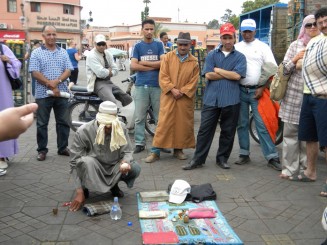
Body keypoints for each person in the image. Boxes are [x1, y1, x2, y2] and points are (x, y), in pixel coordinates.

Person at [182, 23, 247, 170]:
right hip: (212, 99)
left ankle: (222, 159)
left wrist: (218, 70)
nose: (228, 41)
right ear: (221, 38)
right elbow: (208, 75)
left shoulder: (240, 57)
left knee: (228, 131)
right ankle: (198, 159)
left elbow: (237, 76)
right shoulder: (212, 55)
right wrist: (227, 73)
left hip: (231, 99)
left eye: (230, 37)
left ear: (235, 38)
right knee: (205, 130)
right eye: (225, 37)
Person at [69, 101, 141, 212]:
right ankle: (84, 187)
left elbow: (127, 152)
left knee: (135, 167)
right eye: (105, 124)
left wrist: (125, 162)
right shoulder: (83, 131)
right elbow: (74, 163)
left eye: (110, 124)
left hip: (114, 166)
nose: (108, 127)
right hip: (94, 166)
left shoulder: (121, 127)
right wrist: (79, 192)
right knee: (84, 161)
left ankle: (114, 185)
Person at [145, 32, 200, 163]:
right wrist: (172, 89)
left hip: (184, 98)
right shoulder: (168, 57)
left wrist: (183, 91)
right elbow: (163, 76)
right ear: (177, 44)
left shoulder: (194, 61)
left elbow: (194, 81)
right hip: (169, 96)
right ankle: (155, 152)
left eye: (185, 45)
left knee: (182, 124)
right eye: (180, 44)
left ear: (190, 45)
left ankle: (178, 150)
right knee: (163, 124)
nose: (182, 47)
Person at [234, 19, 281, 171]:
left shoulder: (263, 47)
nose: (247, 34)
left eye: (249, 31)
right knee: (241, 123)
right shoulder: (236, 47)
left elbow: (271, 68)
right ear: (241, 32)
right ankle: (244, 153)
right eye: (244, 31)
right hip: (240, 90)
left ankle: (271, 156)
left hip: (257, 91)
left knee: (262, 124)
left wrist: (262, 86)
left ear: (255, 31)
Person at [278, 15, 320, 179]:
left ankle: (306, 169)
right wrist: (295, 59)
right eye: (308, 25)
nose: (312, 27)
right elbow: (283, 69)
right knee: (290, 136)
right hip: (294, 97)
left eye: (315, 24)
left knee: (308, 137)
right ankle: (289, 169)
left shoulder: (322, 44)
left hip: (313, 97)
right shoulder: (295, 45)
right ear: (304, 27)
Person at [294, 8, 327, 197]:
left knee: (326, 141)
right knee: (310, 136)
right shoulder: (315, 41)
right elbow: (299, 63)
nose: (321, 25)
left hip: (324, 96)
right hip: (308, 94)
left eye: (323, 21)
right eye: (318, 22)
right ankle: (311, 171)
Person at [29, 25, 73, 161]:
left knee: (63, 122)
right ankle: (42, 150)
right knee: (42, 123)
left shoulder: (63, 52)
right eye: (48, 34)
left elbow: (68, 70)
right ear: (43, 36)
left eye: (54, 34)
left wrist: (57, 81)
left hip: (61, 93)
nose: (52, 37)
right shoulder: (36, 52)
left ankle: (63, 147)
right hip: (43, 94)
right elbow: (35, 72)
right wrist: (50, 84)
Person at [130, 19, 165, 153]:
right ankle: (139, 143)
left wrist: (143, 64)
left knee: (159, 117)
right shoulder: (137, 46)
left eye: (151, 29)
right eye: (147, 29)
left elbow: (163, 64)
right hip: (140, 86)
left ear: (154, 30)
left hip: (157, 85)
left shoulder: (159, 44)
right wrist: (153, 66)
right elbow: (133, 65)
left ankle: (159, 143)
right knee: (140, 117)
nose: (149, 32)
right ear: (142, 30)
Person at [86, 34, 132, 107]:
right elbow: (100, 73)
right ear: (95, 44)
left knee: (127, 98)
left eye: (103, 44)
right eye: (99, 44)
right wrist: (110, 71)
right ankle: (106, 118)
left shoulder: (108, 54)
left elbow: (116, 69)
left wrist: (108, 72)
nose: (101, 46)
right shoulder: (92, 55)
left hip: (108, 81)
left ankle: (114, 114)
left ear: (105, 44)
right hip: (97, 83)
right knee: (112, 102)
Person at [0, 43, 22, 169]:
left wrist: (7, 60)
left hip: (2, 93)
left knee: (3, 120)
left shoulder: (3, 48)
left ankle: (2, 155)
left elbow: (17, 64)